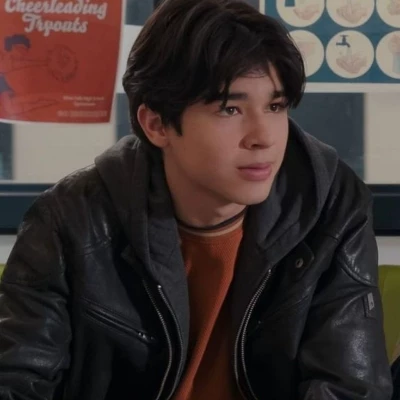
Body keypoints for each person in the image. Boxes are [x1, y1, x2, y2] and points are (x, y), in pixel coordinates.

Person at [0, 0, 393, 399]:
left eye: (275, 106)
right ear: (157, 125)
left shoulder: (328, 203)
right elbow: (17, 381)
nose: (264, 137)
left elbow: (349, 386)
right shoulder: (71, 220)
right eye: (230, 109)